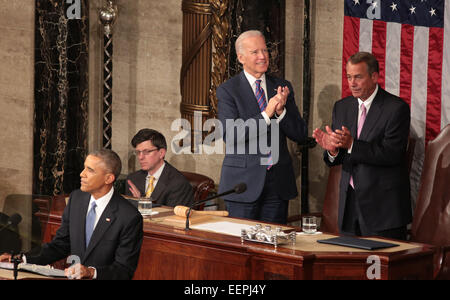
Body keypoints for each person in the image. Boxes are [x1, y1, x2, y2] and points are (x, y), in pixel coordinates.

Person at [1, 149, 144, 279]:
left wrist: (91, 272)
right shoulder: (76, 199)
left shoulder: (129, 217)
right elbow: (60, 245)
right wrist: (21, 259)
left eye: (90, 170)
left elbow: (124, 269)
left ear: (108, 179)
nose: (82, 174)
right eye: (84, 167)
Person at [312, 52, 411, 240]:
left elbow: (392, 154)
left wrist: (351, 145)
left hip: (382, 209)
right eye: (349, 77)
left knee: (379, 266)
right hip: (348, 204)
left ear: (374, 77)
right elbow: (340, 156)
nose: (352, 83)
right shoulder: (342, 107)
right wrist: (332, 150)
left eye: (358, 77)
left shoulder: (396, 108)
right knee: (348, 264)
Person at [217, 30, 307, 224]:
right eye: (255, 52)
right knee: (241, 249)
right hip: (243, 184)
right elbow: (231, 135)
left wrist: (282, 112)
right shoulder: (228, 90)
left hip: (278, 184)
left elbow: (300, 134)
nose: (263, 56)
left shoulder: (282, 86)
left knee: (273, 249)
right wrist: (267, 114)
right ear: (241, 57)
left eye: (265, 50)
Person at [126, 128, 194, 207]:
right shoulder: (133, 179)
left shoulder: (178, 184)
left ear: (161, 153)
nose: (140, 157)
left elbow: (173, 217)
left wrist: (142, 204)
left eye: (146, 152)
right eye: (138, 152)